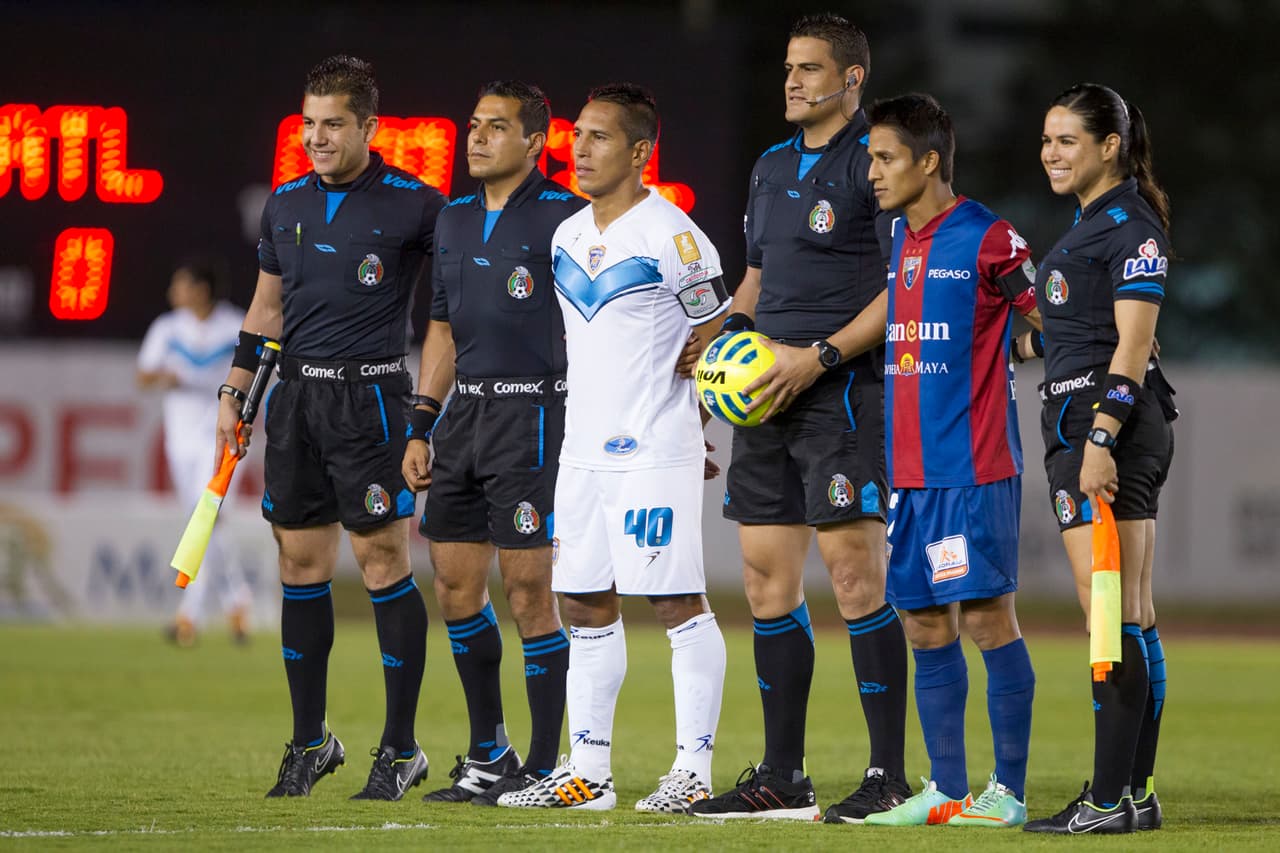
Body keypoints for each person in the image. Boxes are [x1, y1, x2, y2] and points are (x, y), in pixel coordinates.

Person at [690, 13, 908, 823]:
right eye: (788, 66)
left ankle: (888, 774)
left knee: (854, 577)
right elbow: (756, 278)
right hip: (762, 399)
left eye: (810, 68)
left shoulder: (875, 162)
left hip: (840, 393)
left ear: (852, 78)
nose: (791, 80)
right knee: (763, 581)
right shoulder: (771, 165)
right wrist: (724, 344)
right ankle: (784, 774)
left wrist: (816, 357)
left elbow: (901, 287)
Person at [217, 55, 446, 800]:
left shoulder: (418, 205)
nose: (316, 137)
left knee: (382, 563)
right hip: (295, 402)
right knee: (299, 566)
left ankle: (401, 748)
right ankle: (310, 743)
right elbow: (267, 309)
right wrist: (234, 392)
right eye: (308, 123)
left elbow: (456, 303)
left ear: (369, 127)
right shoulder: (284, 204)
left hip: (372, 400)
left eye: (333, 124)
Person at [496, 83, 728, 813]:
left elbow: (719, 333)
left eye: (599, 137)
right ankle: (589, 772)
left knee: (675, 599)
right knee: (582, 599)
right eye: (578, 136)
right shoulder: (566, 235)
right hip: (582, 452)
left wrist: (695, 422)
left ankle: (693, 770)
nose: (580, 149)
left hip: (653, 448)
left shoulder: (674, 237)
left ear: (639, 152)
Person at [852, 94, 1039, 829]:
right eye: (870, 158)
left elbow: (1048, 319)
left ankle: (1008, 794)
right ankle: (947, 792)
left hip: (971, 467)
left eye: (885, 157)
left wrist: (1025, 350)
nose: (873, 172)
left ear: (928, 160)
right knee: (925, 624)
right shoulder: (900, 235)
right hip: (910, 472)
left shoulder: (991, 238)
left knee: (989, 619)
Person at [401, 81, 586, 806]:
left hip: (535, 413)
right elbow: (442, 327)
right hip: (465, 415)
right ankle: (489, 754)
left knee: (531, 590)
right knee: (453, 586)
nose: (476, 137)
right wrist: (422, 420)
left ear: (535, 142)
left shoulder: (568, 218)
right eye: (474, 124)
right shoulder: (451, 218)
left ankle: (542, 765)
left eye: (496, 127)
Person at [1021, 83, 1175, 835]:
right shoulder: (1094, 224)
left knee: (1107, 610)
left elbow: (1134, 345)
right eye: (1047, 140)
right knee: (1131, 611)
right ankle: (1134, 795)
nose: (1051, 153)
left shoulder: (1129, 226)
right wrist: (1018, 343)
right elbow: (1079, 331)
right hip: (1094, 419)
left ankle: (1107, 800)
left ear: (1109, 146)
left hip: (1104, 427)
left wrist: (1101, 439)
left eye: (1067, 141)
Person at [139, 260, 253, 647]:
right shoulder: (168, 328)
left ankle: (189, 616)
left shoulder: (235, 326)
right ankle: (237, 600)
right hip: (180, 440)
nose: (173, 292)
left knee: (204, 521)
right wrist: (167, 377)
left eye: (180, 284)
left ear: (201, 289)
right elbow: (143, 374)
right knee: (205, 523)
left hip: (221, 438)